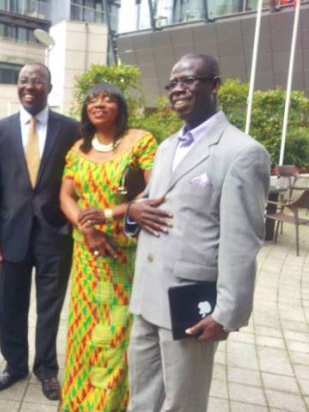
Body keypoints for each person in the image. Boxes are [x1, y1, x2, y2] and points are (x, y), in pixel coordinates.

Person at [126, 53, 270, 411]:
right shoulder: (165, 147)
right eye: (172, 83)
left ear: (215, 85)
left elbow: (242, 241)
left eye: (188, 80)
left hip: (191, 301)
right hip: (147, 293)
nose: (178, 89)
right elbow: (151, 205)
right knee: (142, 395)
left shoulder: (242, 152)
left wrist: (226, 313)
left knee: (182, 402)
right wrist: (131, 213)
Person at [59, 83, 157, 411]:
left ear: (121, 107)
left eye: (108, 99)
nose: (98, 104)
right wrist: (87, 228)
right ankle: (78, 401)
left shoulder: (139, 141)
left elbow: (155, 189)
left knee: (117, 331)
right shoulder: (78, 149)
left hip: (123, 253)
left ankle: (109, 403)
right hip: (87, 255)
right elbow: (66, 196)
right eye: (92, 100)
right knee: (85, 330)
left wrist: (109, 213)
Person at [0, 62, 80, 400]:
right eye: (24, 81)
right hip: (11, 234)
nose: (29, 86)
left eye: (37, 81)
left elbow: (81, 181)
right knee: (9, 304)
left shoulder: (72, 130)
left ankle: (46, 369)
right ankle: (14, 364)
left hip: (55, 234)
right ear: (17, 86)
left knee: (49, 307)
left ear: (49, 88)